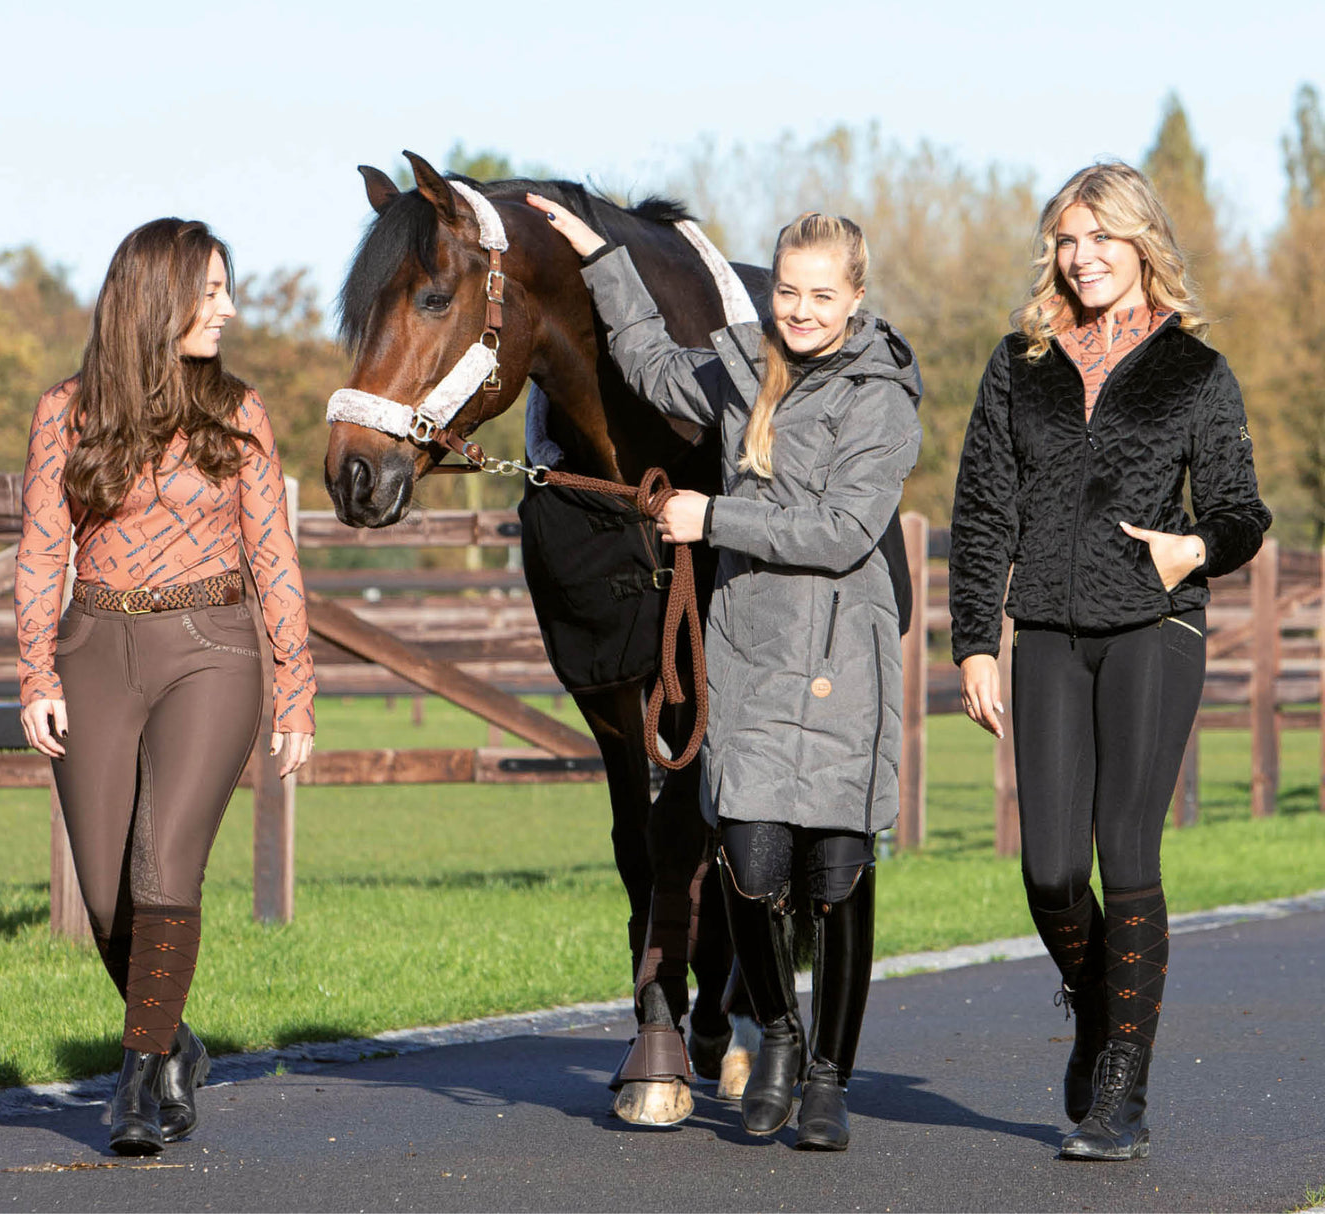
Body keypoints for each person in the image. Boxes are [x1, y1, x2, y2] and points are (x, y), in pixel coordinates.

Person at [529, 192, 922, 1151]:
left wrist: (713, 518)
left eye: (821, 296)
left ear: (855, 298)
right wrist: (600, 258)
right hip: (748, 647)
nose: (801, 311)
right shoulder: (744, 366)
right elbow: (650, 364)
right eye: (788, 291)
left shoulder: (882, 396)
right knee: (748, 858)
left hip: (840, 654)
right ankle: (776, 1029)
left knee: (834, 873)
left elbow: (842, 530)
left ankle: (827, 1079)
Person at [950, 162, 1271, 1161]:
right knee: (1050, 869)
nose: (1081, 257)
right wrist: (975, 640)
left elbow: (1242, 511)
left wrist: (1194, 548)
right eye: (1066, 239)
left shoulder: (1196, 371)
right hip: (1046, 627)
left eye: (1100, 237)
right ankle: (1100, 1008)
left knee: (1127, 849)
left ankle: (1122, 1088)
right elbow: (982, 509)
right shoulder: (1020, 363)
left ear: (1142, 243)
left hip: (1154, 626)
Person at [15, 218, 317, 1156]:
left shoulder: (239, 411)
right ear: (158, 297)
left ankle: (136, 1083)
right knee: (108, 900)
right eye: (211, 291)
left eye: (227, 289)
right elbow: (42, 550)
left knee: (164, 866)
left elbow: (274, 554)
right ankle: (177, 1038)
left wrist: (296, 684)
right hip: (93, 647)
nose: (228, 308)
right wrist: (35, 670)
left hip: (211, 650)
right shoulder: (65, 411)